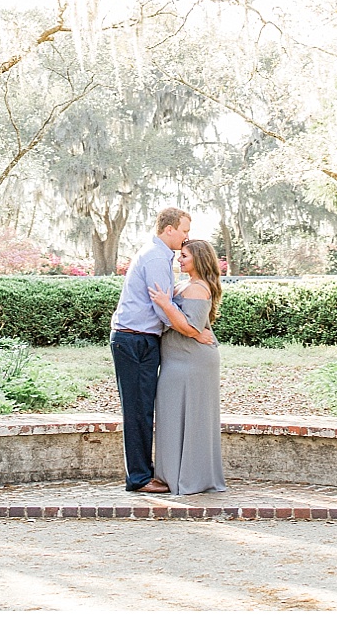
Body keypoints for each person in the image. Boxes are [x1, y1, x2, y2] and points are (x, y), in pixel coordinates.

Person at [108, 207, 213, 493]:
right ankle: (139, 478)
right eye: (184, 231)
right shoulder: (156, 257)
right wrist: (193, 331)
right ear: (169, 229)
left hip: (142, 339)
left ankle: (145, 472)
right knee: (137, 410)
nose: (186, 237)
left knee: (143, 408)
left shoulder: (159, 256)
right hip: (134, 340)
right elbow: (163, 307)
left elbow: (169, 303)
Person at [149, 238, 226, 495]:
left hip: (193, 362)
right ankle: (170, 475)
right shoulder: (185, 285)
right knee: (171, 415)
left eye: (184, 256)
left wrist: (166, 304)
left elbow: (191, 327)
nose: (179, 260)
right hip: (177, 359)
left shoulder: (198, 288)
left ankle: (190, 477)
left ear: (199, 260)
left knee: (194, 417)